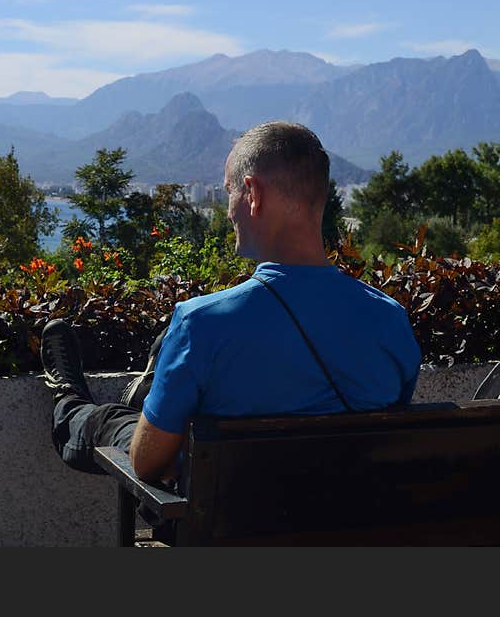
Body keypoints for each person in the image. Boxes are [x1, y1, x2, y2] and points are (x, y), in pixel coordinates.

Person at [41, 121, 422, 482]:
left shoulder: (201, 322)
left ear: (253, 195)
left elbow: (146, 463)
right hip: (346, 532)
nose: (228, 211)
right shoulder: (392, 320)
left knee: (111, 424)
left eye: (228, 192)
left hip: (226, 531)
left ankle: (71, 400)